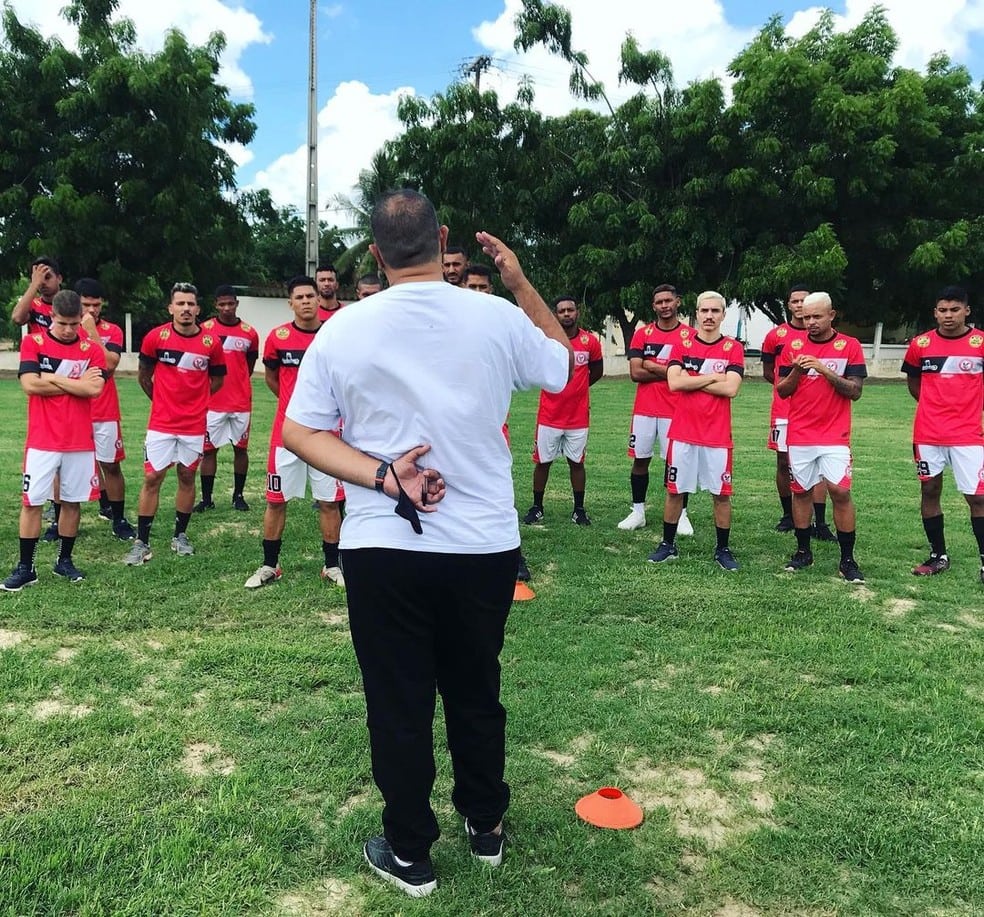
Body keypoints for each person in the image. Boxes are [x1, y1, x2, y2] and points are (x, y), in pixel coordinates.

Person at [282, 189, 572, 897]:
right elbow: (563, 365)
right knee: (477, 688)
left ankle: (410, 850)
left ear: (375, 253)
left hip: (384, 545)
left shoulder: (344, 328)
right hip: (481, 545)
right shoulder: (497, 315)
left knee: (398, 699)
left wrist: (382, 475)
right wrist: (519, 281)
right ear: (442, 241)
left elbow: (298, 431)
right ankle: (485, 824)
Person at [244, 276, 346, 589]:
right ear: (290, 302)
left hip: (327, 435)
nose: (305, 301)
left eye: (310, 296)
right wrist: (295, 407)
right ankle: (270, 565)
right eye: (299, 297)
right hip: (285, 435)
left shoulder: (334, 335)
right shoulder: (277, 337)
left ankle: (332, 566)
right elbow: (273, 379)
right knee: (276, 500)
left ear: (319, 299)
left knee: (329, 502)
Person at [2, 291, 105, 590]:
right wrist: (75, 383)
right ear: (51, 318)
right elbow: (30, 385)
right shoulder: (33, 342)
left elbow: (94, 389)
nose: (70, 330)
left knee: (72, 503)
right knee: (32, 502)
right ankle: (26, 567)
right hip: (42, 440)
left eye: (75, 324)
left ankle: (64, 561)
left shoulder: (91, 348)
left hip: (79, 441)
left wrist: (51, 378)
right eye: (63, 323)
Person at [124, 283, 226, 565]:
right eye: (180, 304)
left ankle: (180, 535)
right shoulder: (156, 338)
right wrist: (160, 402)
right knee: (152, 478)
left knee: (186, 476)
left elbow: (217, 379)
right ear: (170, 308)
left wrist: (198, 401)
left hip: (193, 426)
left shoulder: (211, 343)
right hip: (161, 424)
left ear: (198, 309)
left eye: (190, 304)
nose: (185, 309)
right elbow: (144, 376)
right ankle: (141, 541)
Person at [648, 291, 744, 571]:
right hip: (683, 433)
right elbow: (674, 384)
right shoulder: (682, 344)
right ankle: (668, 545)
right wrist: (714, 376)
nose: (710, 316)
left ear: (723, 315)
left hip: (716, 435)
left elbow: (731, 388)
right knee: (674, 490)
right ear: (697, 313)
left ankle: (723, 549)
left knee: (721, 494)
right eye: (705, 311)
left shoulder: (733, 348)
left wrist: (694, 379)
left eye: (715, 311)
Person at [776, 292, 867, 583]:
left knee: (839, 492)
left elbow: (854, 391)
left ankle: (847, 559)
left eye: (816, 316)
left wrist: (824, 369)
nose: (810, 322)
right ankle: (803, 551)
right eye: (805, 318)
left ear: (831, 315)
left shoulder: (850, 346)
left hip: (834, 435)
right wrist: (797, 372)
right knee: (800, 492)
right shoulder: (793, 345)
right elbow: (782, 390)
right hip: (800, 433)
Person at [902, 285, 984, 581]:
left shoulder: (979, 343)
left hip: (968, 436)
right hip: (927, 434)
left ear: (967, 310)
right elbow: (914, 383)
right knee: (930, 490)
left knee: (977, 498)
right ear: (935, 312)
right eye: (942, 310)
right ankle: (938, 555)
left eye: (954, 309)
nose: (948, 316)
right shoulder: (921, 344)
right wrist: (934, 407)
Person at [461, 262, 531, 583]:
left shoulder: (500, 327)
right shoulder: (448, 327)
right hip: (453, 431)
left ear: (491, 289)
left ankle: (514, 556)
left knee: (499, 494)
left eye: (482, 287)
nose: (477, 293)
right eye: (471, 287)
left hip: (491, 431)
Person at [617, 284, 694, 535]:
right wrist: (671, 373)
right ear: (654, 306)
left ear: (678, 302)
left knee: (677, 463)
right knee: (641, 461)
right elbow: (636, 373)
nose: (664, 306)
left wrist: (654, 366)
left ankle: (681, 514)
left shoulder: (690, 336)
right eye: (659, 302)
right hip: (645, 411)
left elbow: (689, 375)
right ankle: (638, 512)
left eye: (668, 301)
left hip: (677, 411)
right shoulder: (643, 334)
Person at [761, 285, 836, 540]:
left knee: (820, 465)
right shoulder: (776, 335)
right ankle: (788, 515)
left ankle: (821, 521)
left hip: (817, 415)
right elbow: (769, 371)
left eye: (805, 301)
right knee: (784, 462)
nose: (800, 305)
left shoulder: (828, 339)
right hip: (784, 410)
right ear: (789, 305)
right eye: (795, 301)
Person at [522, 297, 603, 526]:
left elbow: (596, 371)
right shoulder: (547, 340)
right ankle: (537, 507)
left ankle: (579, 509)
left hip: (578, 417)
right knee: (543, 462)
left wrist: (578, 389)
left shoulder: (590, 341)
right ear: (555, 314)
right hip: (549, 415)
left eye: (570, 310)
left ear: (577, 312)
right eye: (561, 311)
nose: (566, 314)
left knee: (576, 462)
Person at [75, 278, 136, 540]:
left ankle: (118, 518)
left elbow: (109, 365)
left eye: (96, 305)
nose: (91, 310)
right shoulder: (63, 331)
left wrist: (91, 332)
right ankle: (59, 521)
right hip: (73, 410)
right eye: (86, 304)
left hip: (105, 410)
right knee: (64, 468)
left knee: (110, 465)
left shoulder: (112, 330)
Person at [196, 285, 259, 512]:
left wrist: (238, 381)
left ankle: (238, 496)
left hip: (240, 401)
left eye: (230, 303)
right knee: (209, 449)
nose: (226, 308)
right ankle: (206, 498)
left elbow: (249, 365)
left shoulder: (249, 332)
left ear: (237, 303)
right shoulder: (205, 329)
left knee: (240, 448)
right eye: (221, 304)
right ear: (215, 305)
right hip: (213, 401)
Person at [11, 256, 62, 334]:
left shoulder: (70, 304)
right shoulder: (33, 305)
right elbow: (17, 318)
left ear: (59, 279)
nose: (43, 282)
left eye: (47, 277)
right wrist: (34, 284)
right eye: (39, 278)